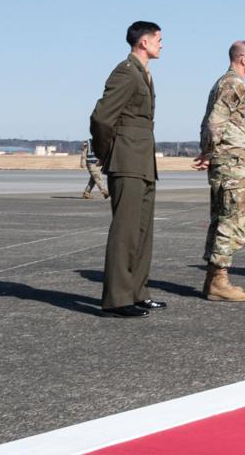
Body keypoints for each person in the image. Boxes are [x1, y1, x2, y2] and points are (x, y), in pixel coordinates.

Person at [90, 21, 165, 318]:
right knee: (125, 231)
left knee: (143, 231)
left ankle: (137, 292)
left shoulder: (143, 73)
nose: (162, 44)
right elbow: (101, 118)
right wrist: (107, 152)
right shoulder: (125, 71)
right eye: (159, 39)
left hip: (143, 162)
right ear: (144, 42)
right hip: (127, 160)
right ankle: (117, 299)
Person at [193, 41, 245, 303]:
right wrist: (210, 152)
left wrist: (207, 151)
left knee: (222, 217)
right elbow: (214, 122)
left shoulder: (222, 82)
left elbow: (210, 121)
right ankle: (219, 280)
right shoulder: (234, 83)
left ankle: (214, 279)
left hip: (227, 161)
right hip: (230, 164)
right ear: (243, 59)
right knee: (231, 220)